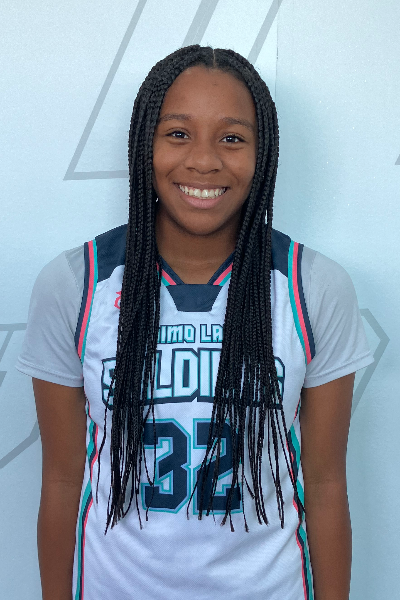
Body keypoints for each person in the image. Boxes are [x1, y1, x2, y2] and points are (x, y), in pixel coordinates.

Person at [17, 45, 373, 600]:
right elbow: (63, 480)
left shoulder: (312, 286)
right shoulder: (76, 284)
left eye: (232, 138)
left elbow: (325, 484)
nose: (204, 161)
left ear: (263, 153)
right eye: (178, 133)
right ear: (145, 144)